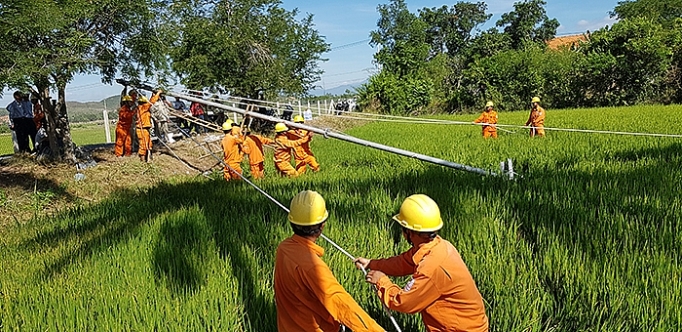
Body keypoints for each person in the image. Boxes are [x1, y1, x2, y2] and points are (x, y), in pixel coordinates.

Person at [354, 194, 489, 332]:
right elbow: (403, 263)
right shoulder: (437, 246)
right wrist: (371, 263)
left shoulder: (432, 268)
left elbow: (406, 303)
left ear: (408, 232)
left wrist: (381, 282)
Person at [274, 190, 385, 332]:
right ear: (323, 225)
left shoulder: (283, 248)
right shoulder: (313, 267)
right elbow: (342, 304)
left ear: (292, 221)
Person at [136, 91, 161, 162]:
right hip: (141, 130)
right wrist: (158, 94)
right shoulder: (143, 108)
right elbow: (151, 102)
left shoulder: (143, 108)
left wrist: (153, 95)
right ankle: (143, 162)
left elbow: (150, 102)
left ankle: (148, 160)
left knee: (149, 144)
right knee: (143, 146)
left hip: (145, 130)